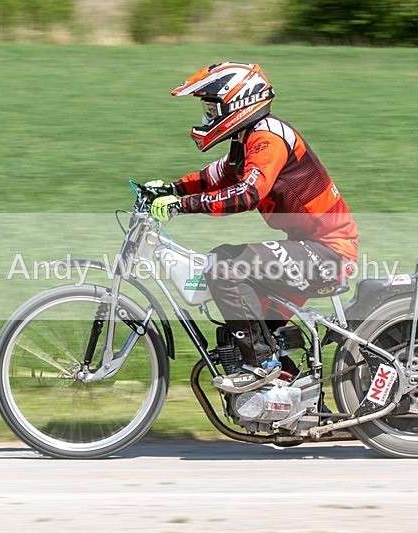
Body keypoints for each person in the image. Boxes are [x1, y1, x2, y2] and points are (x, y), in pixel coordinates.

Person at [147, 62, 359, 392]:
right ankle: (295, 399)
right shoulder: (248, 140)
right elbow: (213, 177)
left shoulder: (267, 139)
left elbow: (247, 193)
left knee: (225, 266)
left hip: (328, 250)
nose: (207, 117)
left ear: (238, 102)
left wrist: (181, 206)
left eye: (211, 108)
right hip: (312, 245)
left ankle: (262, 364)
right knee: (237, 331)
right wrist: (172, 189)